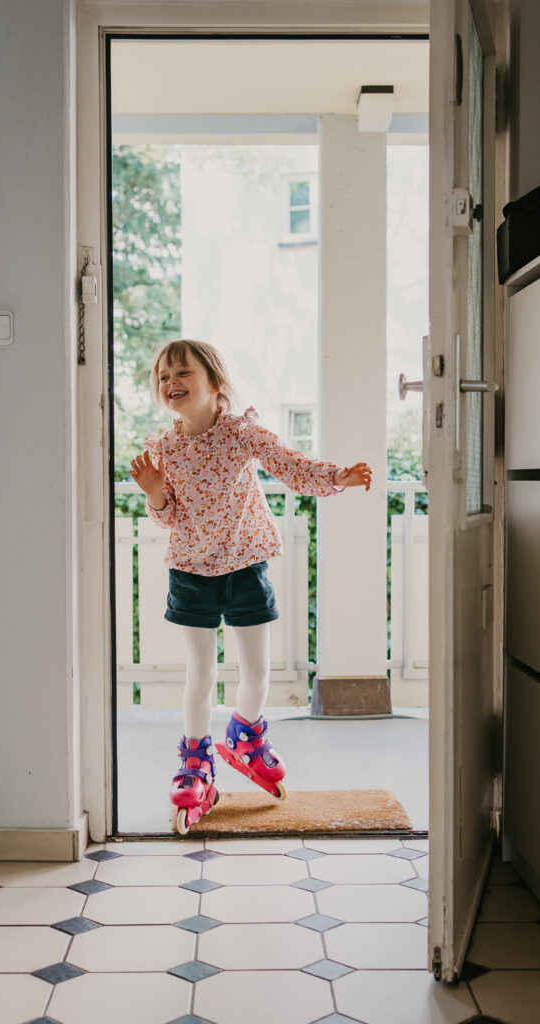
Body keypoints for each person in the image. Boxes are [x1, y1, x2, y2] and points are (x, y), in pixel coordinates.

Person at [130, 339, 372, 833]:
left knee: (256, 674)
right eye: (163, 377)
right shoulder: (162, 448)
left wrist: (337, 478)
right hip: (192, 572)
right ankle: (196, 763)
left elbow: (289, 465)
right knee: (199, 676)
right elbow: (168, 516)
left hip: (245, 567)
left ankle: (245, 737)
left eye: (182, 373)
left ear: (215, 383)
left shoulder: (242, 433)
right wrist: (155, 491)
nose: (171, 383)